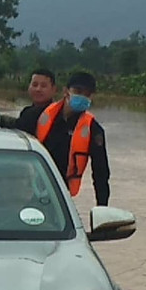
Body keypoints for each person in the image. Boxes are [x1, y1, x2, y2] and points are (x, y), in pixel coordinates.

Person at [35, 71, 110, 206]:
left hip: (62, 194)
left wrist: (102, 210)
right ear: (66, 91)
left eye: (87, 94)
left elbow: (101, 174)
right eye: (78, 91)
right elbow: (16, 130)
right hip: (31, 187)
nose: (82, 97)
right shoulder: (40, 115)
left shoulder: (93, 130)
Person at [6, 68, 58, 133]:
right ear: (29, 87)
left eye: (43, 86)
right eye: (35, 85)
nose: (38, 89)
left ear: (54, 89)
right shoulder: (26, 112)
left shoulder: (58, 114)